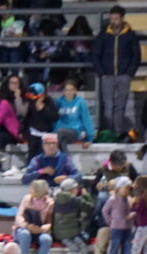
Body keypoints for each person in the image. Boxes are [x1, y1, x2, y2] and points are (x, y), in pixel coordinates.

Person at [92, 5, 141, 140]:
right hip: (107, 76)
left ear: (122, 18)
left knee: (120, 106)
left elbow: (136, 56)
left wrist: (129, 74)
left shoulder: (130, 35)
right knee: (108, 106)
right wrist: (101, 73)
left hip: (124, 76)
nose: (114, 21)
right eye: (112, 18)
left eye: (116, 18)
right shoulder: (103, 35)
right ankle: (108, 132)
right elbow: (96, 54)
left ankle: (118, 132)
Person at [12, 179, 54, 254]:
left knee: (46, 239)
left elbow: (50, 221)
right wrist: (27, 226)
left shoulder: (50, 203)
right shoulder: (26, 199)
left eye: (33, 189)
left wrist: (43, 229)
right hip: (24, 228)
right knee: (25, 234)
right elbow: (19, 217)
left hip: (39, 230)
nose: (31, 191)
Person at [52, 177, 94, 254]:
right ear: (71, 190)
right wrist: (86, 195)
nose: (78, 190)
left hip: (58, 234)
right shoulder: (76, 200)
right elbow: (91, 207)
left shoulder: (55, 199)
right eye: (76, 188)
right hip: (74, 232)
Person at [102, 175, 134, 254]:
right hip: (116, 228)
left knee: (127, 250)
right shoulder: (113, 199)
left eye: (128, 189)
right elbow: (105, 211)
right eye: (125, 188)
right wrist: (110, 221)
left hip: (128, 228)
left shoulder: (129, 199)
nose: (126, 191)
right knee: (114, 249)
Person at [53, 80, 94, 151]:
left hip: (75, 131)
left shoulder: (80, 102)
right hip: (59, 132)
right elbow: (53, 119)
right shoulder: (58, 102)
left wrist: (89, 138)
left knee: (60, 133)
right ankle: (65, 160)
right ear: (63, 91)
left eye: (71, 90)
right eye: (66, 90)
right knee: (61, 139)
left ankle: (63, 159)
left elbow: (86, 120)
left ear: (75, 90)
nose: (68, 92)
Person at [23, 83, 58, 161]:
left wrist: (43, 108)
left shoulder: (49, 102)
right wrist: (22, 131)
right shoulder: (31, 103)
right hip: (33, 132)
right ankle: (30, 168)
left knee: (41, 153)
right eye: (30, 95)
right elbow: (27, 117)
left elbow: (54, 117)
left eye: (33, 95)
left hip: (45, 133)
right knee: (32, 152)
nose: (31, 97)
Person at [126, 175, 147, 254]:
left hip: (143, 227)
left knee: (136, 248)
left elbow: (137, 210)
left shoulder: (142, 198)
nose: (134, 185)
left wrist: (131, 203)